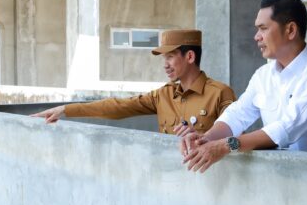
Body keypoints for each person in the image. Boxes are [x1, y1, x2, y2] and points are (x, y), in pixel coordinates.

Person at [178, 0, 307, 173]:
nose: (257, 37)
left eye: (263, 28)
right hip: (286, 180)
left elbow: (288, 127)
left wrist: (226, 145)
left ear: (290, 30)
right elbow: (237, 115)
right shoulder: (263, 75)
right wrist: (205, 139)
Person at [31, 29, 236, 135]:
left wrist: (206, 137)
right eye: (164, 59)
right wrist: (66, 110)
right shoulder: (162, 96)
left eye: (171, 56)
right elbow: (117, 107)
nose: (165, 65)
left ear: (190, 56)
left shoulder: (220, 93)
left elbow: (237, 139)